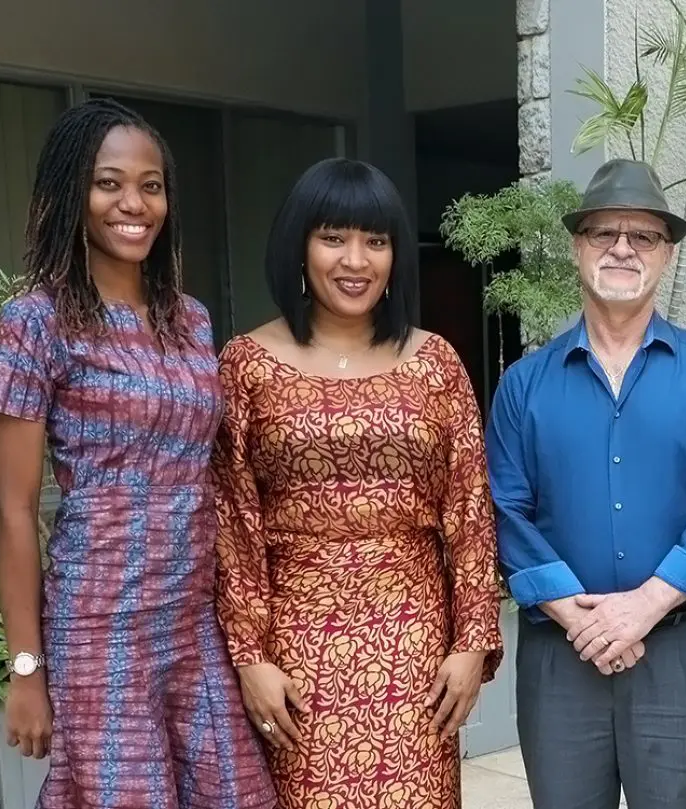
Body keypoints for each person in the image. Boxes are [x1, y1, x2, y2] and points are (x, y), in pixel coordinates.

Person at [0, 98, 277, 808]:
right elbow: (15, 512)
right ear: (70, 193)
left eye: (151, 186)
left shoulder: (190, 320)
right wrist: (26, 669)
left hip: (194, 618)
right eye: (108, 183)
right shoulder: (36, 322)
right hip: (100, 624)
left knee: (236, 792)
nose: (134, 204)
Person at [211, 157, 501, 809]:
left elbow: (470, 511)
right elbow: (231, 521)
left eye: (376, 241)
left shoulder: (436, 364)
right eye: (333, 237)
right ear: (299, 246)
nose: (355, 260)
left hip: (414, 649)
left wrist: (471, 642)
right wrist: (250, 656)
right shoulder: (247, 365)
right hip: (297, 652)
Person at [486, 157, 686, 809]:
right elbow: (502, 507)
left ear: (667, 254)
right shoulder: (524, 385)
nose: (622, 248)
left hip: (679, 652)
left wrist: (643, 606)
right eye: (603, 232)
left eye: (643, 235)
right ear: (576, 246)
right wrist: (578, 615)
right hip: (562, 655)